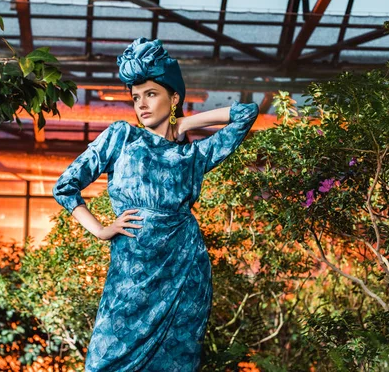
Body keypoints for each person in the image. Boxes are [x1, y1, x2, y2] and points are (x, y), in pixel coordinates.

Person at [53, 37, 259, 372]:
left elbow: (245, 114)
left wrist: (186, 123)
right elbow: (65, 187)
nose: (142, 104)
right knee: (102, 363)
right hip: (130, 276)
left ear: (173, 97)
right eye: (136, 97)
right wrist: (102, 230)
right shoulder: (122, 136)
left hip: (184, 269)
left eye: (151, 93)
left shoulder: (192, 155)